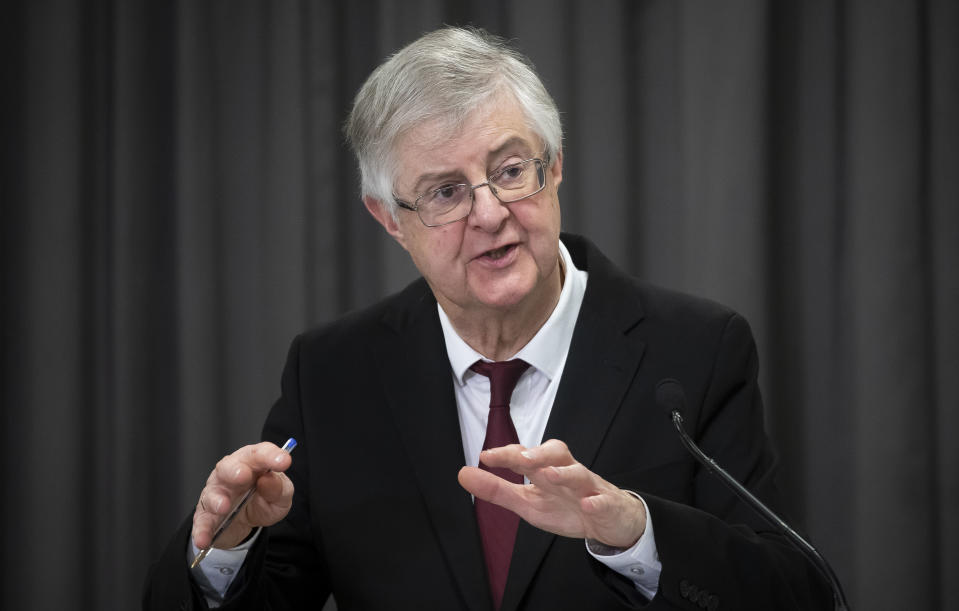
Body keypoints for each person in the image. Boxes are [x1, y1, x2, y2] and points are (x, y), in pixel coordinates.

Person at [143, 26, 831, 610]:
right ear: (389, 218)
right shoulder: (334, 373)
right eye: (444, 191)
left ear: (554, 165)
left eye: (508, 170)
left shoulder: (695, 351)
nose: (490, 213)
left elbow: (796, 590)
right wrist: (223, 547)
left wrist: (634, 531)